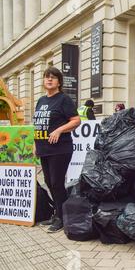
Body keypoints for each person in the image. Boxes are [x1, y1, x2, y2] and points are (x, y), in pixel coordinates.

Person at [33, 67, 81, 233]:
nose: (49, 80)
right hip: (44, 148)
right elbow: (38, 124)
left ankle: (61, 217)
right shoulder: (40, 101)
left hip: (60, 149)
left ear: (59, 82)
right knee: (48, 182)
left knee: (56, 183)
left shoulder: (64, 99)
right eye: (47, 77)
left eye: (53, 77)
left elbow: (76, 121)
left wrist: (60, 130)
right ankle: (58, 213)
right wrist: (35, 143)